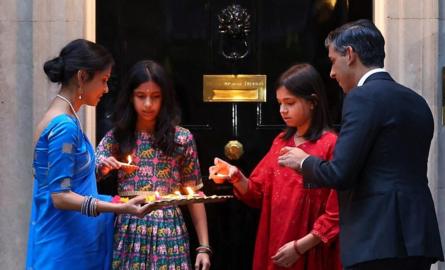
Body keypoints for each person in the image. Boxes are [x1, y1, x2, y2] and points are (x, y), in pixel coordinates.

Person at [278, 19, 445, 270]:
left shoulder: (361, 97)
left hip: (376, 238)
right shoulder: (416, 101)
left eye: (333, 61)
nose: (332, 73)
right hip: (417, 236)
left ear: (350, 54)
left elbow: (341, 173)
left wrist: (303, 161)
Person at [26, 39, 152, 270]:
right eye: (103, 81)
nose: (106, 89)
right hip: (64, 249)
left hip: (63, 240)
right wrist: (120, 208)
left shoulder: (61, 118)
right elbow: (60, 197)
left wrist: (98, 170)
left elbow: (63, 180)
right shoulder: (64, 126)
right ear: (82, 77)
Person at [209, 63, 341, 270]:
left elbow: (336, 211)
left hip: (311, 248)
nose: (282, 110)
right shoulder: (281, 141)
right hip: (276, 240)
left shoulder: (330, 144)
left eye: (289, 103)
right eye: (280, 103)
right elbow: (256, 193)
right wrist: (235, 176)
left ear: (312, 102)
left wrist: (300, 246)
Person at [95, 60, 211, 270]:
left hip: (169, 232)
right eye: (141, 96)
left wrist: (204, 247)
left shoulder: (181, 139)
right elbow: (89, 176)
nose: (148, 104)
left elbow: (194, 195)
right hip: (129, 230)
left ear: (164, 99)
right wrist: (104, 166)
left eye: (155, 97)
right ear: (131, 97)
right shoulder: (117, 137)